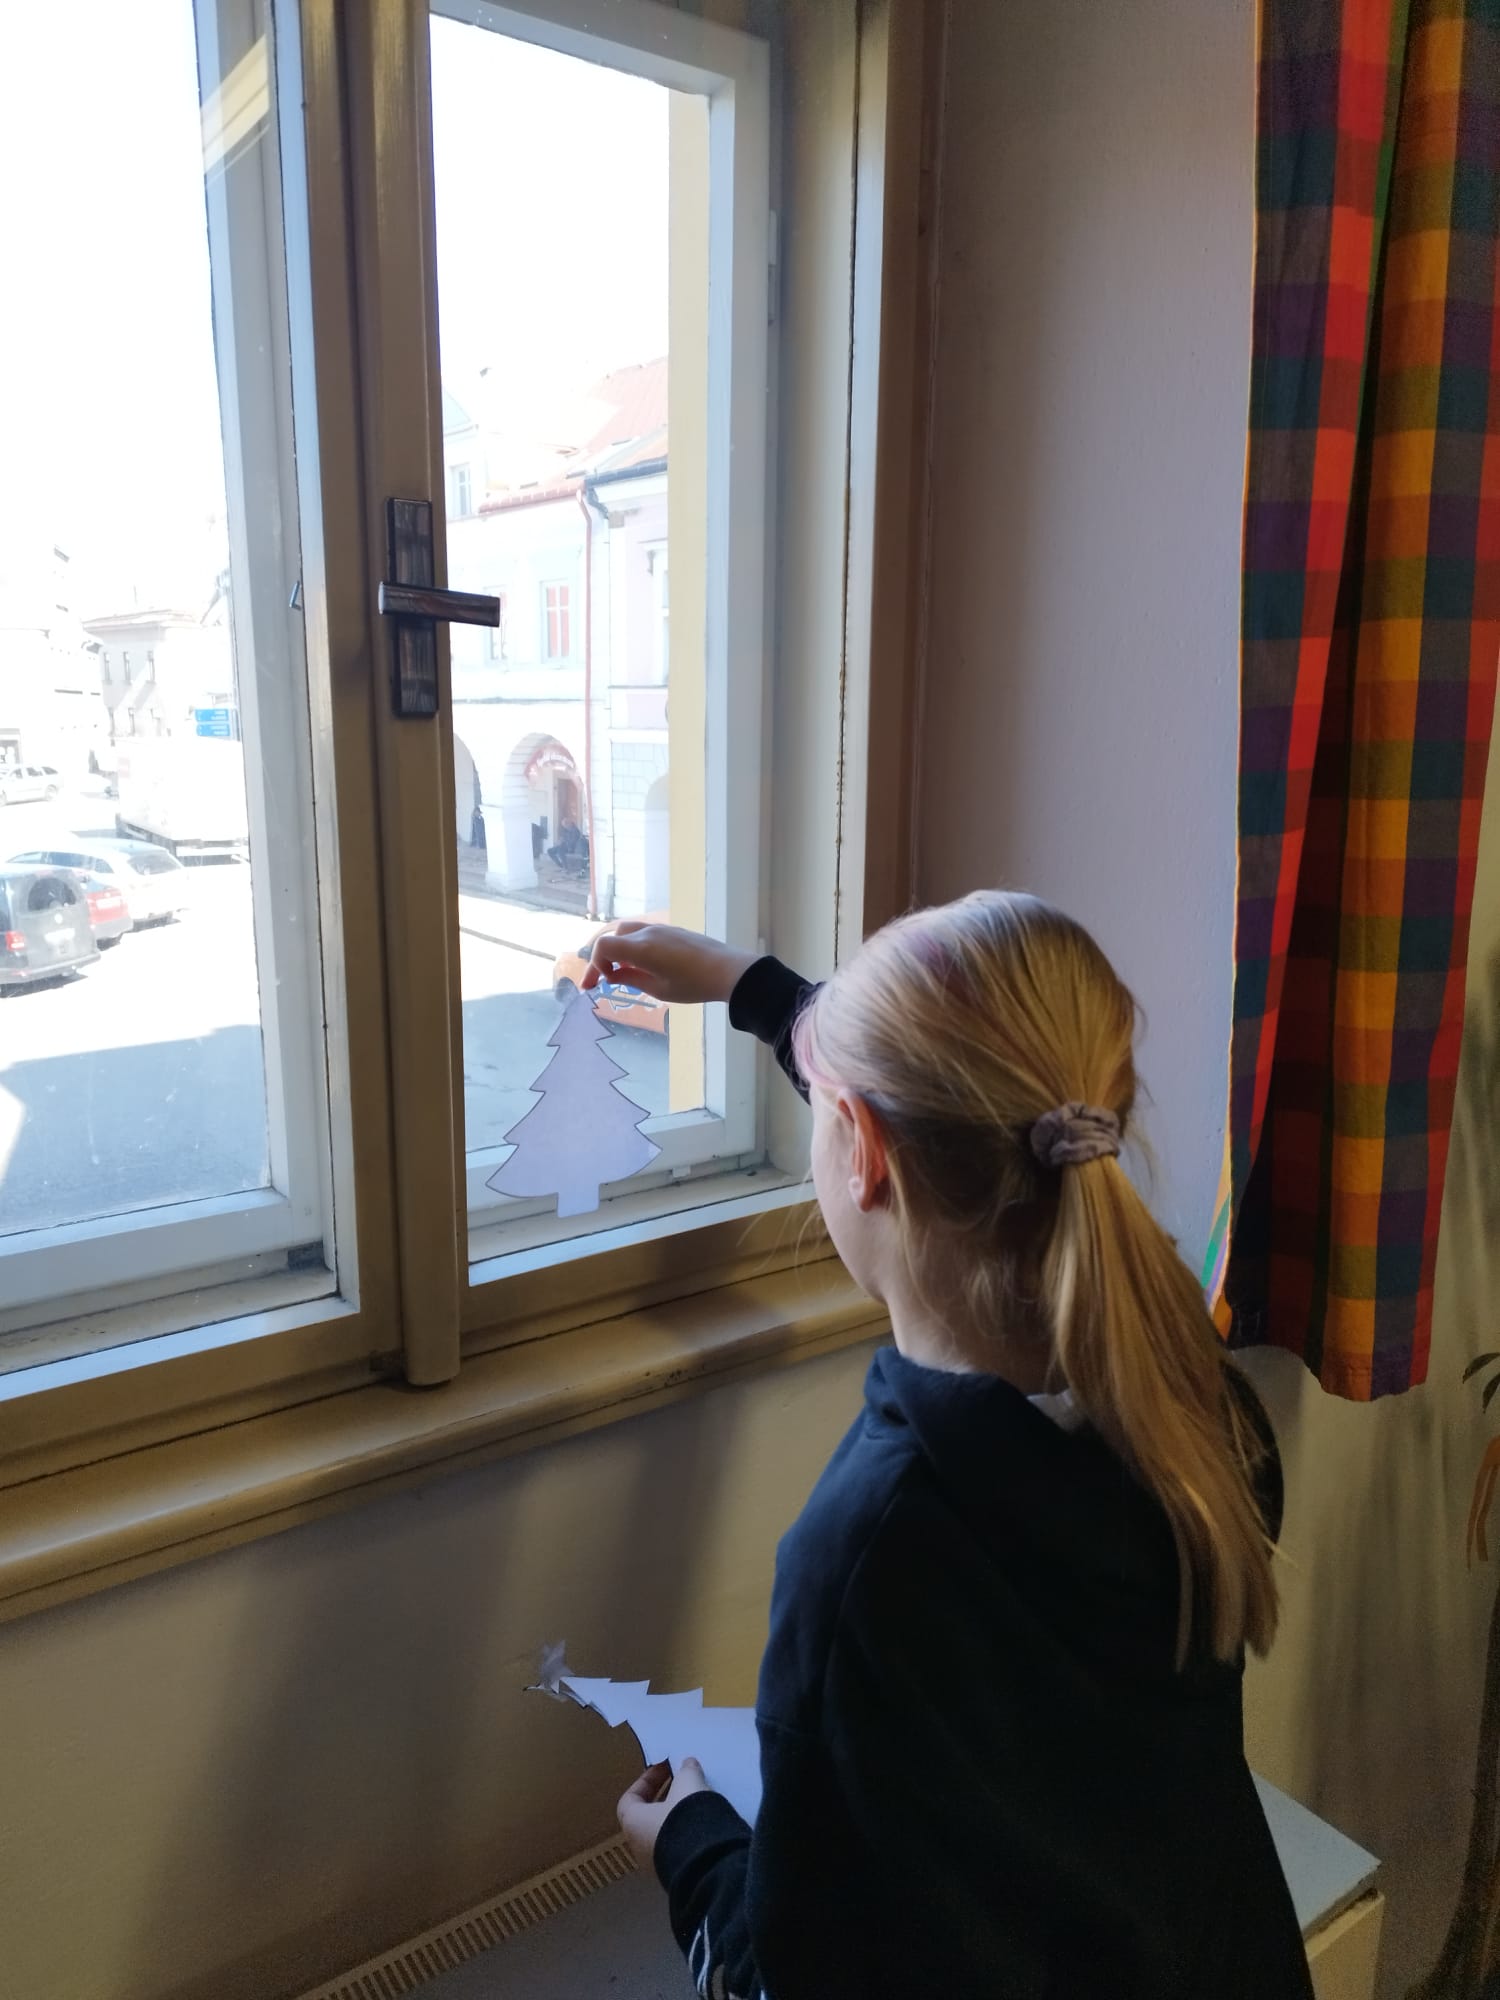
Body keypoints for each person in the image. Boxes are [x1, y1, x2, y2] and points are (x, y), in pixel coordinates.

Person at [581, 893, 1313, 2000]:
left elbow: (794, 1976)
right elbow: (958, 1123)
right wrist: (749, 986)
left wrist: (691, 1844)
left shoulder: (873, 1559)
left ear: (863, 1150)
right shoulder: (1200, 1414)